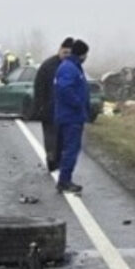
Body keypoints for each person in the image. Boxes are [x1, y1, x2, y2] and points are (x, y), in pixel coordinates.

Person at [54, 40, 90, 194]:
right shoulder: (70, 68)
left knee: (70, 149)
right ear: (81, 54)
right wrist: (78, 103)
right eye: (85, 54)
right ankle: (64, 181)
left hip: (71, 115)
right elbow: (65, 89)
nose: (86, 57)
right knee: (71, 149)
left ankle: (65, 179)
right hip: (70, 116)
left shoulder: (72, 67)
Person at [33, 37, 74, 171]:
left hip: (66, 110)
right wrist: (39, 106)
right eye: (65, 53)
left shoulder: (73, 66)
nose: (67, 56)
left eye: (70, 53)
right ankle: (51, 158)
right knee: (50, 136)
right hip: (49, 109)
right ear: (60, 51)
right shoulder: (48, 66)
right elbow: (39, 87)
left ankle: (59, 160)